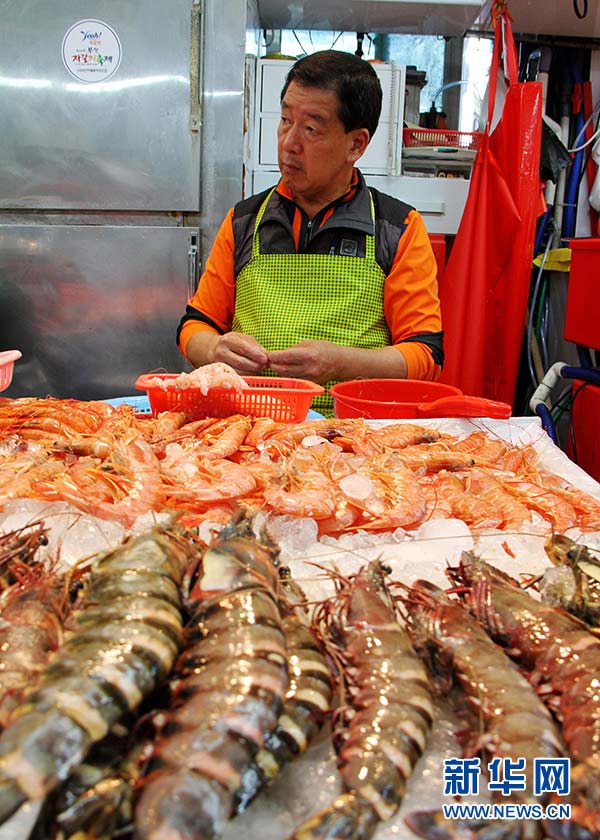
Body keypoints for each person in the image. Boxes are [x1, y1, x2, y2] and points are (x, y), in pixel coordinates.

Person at [177, 49, 443, 415]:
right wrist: (212, 350)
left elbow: (425, 355)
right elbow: (195, 325)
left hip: (351, 437)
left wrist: (342, 362)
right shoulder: (243, 221)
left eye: (311, 129)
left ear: (356, 144)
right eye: (285, 120)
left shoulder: (397, 229)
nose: (289, 143)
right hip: (248, 430)